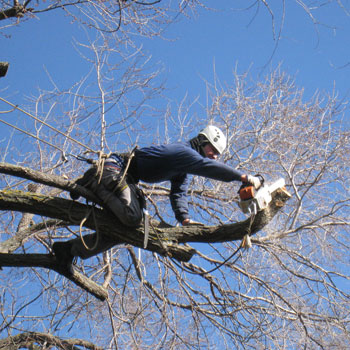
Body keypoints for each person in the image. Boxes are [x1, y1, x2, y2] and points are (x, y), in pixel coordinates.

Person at [52, 125, 261, 274]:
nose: (214, 156)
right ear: (202, 142)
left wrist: (185, 219)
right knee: (132, 216)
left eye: (217, 154)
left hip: (126, 181)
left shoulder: (184, 168)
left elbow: (178, 193)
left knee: (129, 232)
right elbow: (208, 168)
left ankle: (69, 250)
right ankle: (92, 181)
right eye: (213, 150)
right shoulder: (184, 152)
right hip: (113, 171)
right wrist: (242, 177)